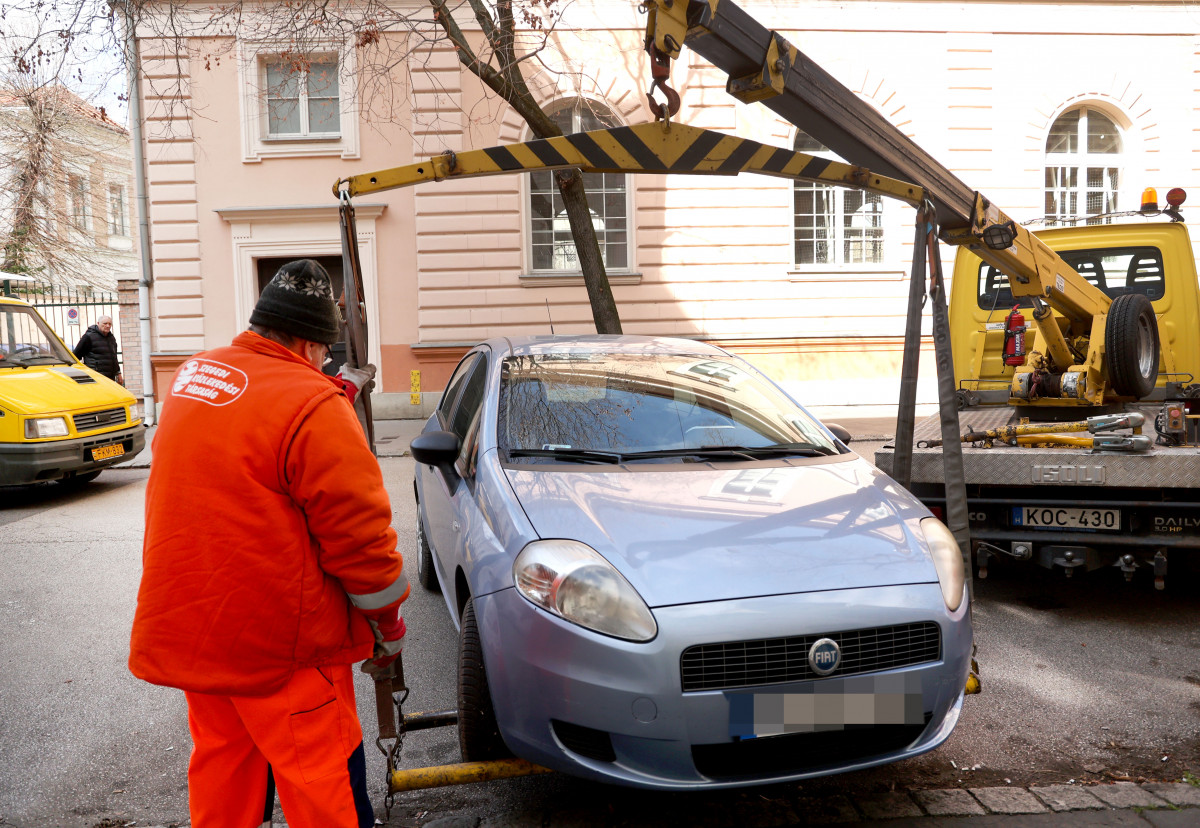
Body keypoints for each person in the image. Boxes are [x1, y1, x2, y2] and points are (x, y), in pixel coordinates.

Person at [129, 259, 407, 828]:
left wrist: (331, 394)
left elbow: (251, 427)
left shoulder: (196, 376)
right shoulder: (313, 406)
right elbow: (360, 541)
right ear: (309, 343)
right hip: (283, 650)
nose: (325, 363)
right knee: (321, 787)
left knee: (225, 776)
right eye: (324, 354)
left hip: (201, 636)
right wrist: (388, 627)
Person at [73, 314, 123, 383]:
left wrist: (118, 373)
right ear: (98, 323)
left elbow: (114, 357)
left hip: (110, 378)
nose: (108, 326)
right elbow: (76, 356)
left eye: (109, 324)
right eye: (105, 323)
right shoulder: (88, 337)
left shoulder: (111, 338)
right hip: (95, 377)